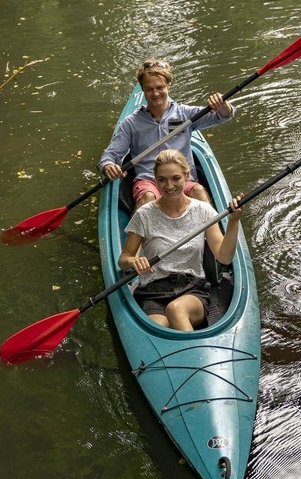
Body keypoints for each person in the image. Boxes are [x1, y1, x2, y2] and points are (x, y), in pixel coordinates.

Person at [119, 150, 242, 331]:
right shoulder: (144, 214)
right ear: (155, 180)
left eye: (176, 178)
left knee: (176, 310)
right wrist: (133, 261)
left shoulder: (203, 210)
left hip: (191, 289)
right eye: (162, 180)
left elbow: (224, 257)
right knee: (158, 328)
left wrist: (234, 221)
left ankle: (196, 357)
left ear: (186, 176)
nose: (169, 186)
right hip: (153, 292)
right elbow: (124, 260)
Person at [100, 58, 235, 208]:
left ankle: (212, 230)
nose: (155, 93)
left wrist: (223, 105)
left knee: (198, 191)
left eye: (160, 87)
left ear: (168, 86)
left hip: (183, 179)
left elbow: (222, 116)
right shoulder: (131, 123)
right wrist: (108, 166)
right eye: (149, 89)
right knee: (148, 198)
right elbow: (109, 156)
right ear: (142, 89)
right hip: (149, 181)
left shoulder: (184, 114)